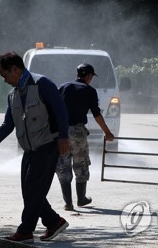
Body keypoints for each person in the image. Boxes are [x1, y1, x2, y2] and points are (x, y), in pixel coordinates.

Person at [0, 51, 70, 243]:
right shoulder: (13, 95)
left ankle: (25, 231)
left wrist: (64, 137)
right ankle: (53, 222)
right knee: (30, 191)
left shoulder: (42, 84)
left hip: (47, 145)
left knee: (33, 190)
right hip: (30, 150)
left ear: (15, 69)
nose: (4, 80)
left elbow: (61, 111)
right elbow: (8, 125)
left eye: (5, 75)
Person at [56, 63, 115, 211]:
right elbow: (96, 114)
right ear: (89, 76)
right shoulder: (89, 91)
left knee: (63, 166)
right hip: (77, 132)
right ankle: (81, 199)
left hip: (61, 132)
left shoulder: (64, 87)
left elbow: (54, 108)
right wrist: (107, 133)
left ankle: (68, 203)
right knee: (80, 164)